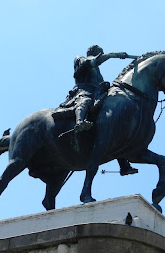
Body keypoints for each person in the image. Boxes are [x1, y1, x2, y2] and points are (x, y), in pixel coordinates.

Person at [58, 44, 139, 175]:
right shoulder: (81, 59)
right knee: (85, 101)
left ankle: (123, 164)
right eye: (99, 53)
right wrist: (114, 55)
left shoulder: (98, 73)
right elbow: (94, 61)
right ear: (94, 52)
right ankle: (80, 122)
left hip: (97, 94)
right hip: (83, 91)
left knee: (114, 122)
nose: (101, 55)